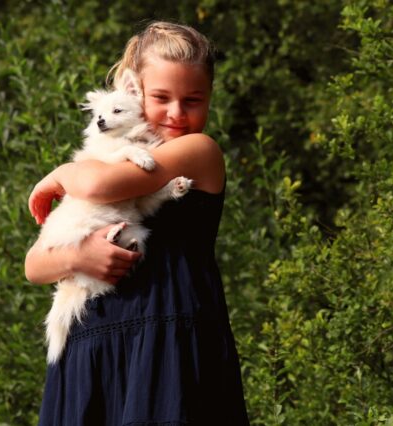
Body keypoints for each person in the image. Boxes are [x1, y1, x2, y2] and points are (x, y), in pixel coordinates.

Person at [25, 21, 250, 425]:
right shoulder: (112, 151)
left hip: (169, 345)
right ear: (136, 94)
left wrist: (58, 175)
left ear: (211, 97)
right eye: (161, 98)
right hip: (93, 345)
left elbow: (95, 183)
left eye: (194, 99)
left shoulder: (198, 150)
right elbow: (34, 265)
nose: (177, 113)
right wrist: (80, 256)